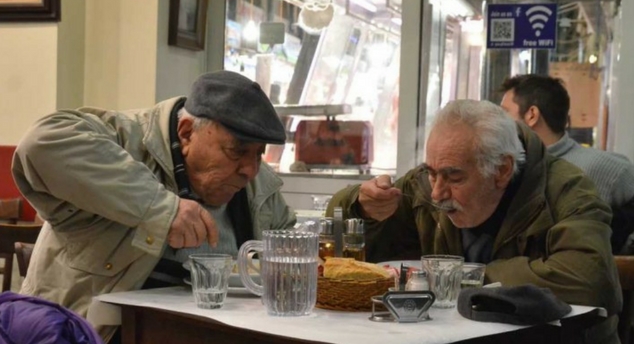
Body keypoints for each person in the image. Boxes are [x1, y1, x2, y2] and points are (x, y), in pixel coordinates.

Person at [11, 70, 296, 342]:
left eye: (259, 154)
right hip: (89, 335)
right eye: (237, 151)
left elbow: (292, 249)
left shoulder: (258, 188)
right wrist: (161, 209)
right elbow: (40, 143)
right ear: (186, 133)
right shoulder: (126, 140)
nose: (250, 170)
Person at [327, 99, 621, 343]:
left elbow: (590, 279)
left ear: (502, 170)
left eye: (454, 177)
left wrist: (467, 278)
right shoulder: (424, 185)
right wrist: (361, 207)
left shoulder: (566, 192)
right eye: (432, 173)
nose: (438, 193)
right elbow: (335, 239)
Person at [500, 74, 634, 254]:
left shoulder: (608, 169)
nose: (499, 122)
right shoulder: (505, 169)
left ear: (532, 115)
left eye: (504, 113)